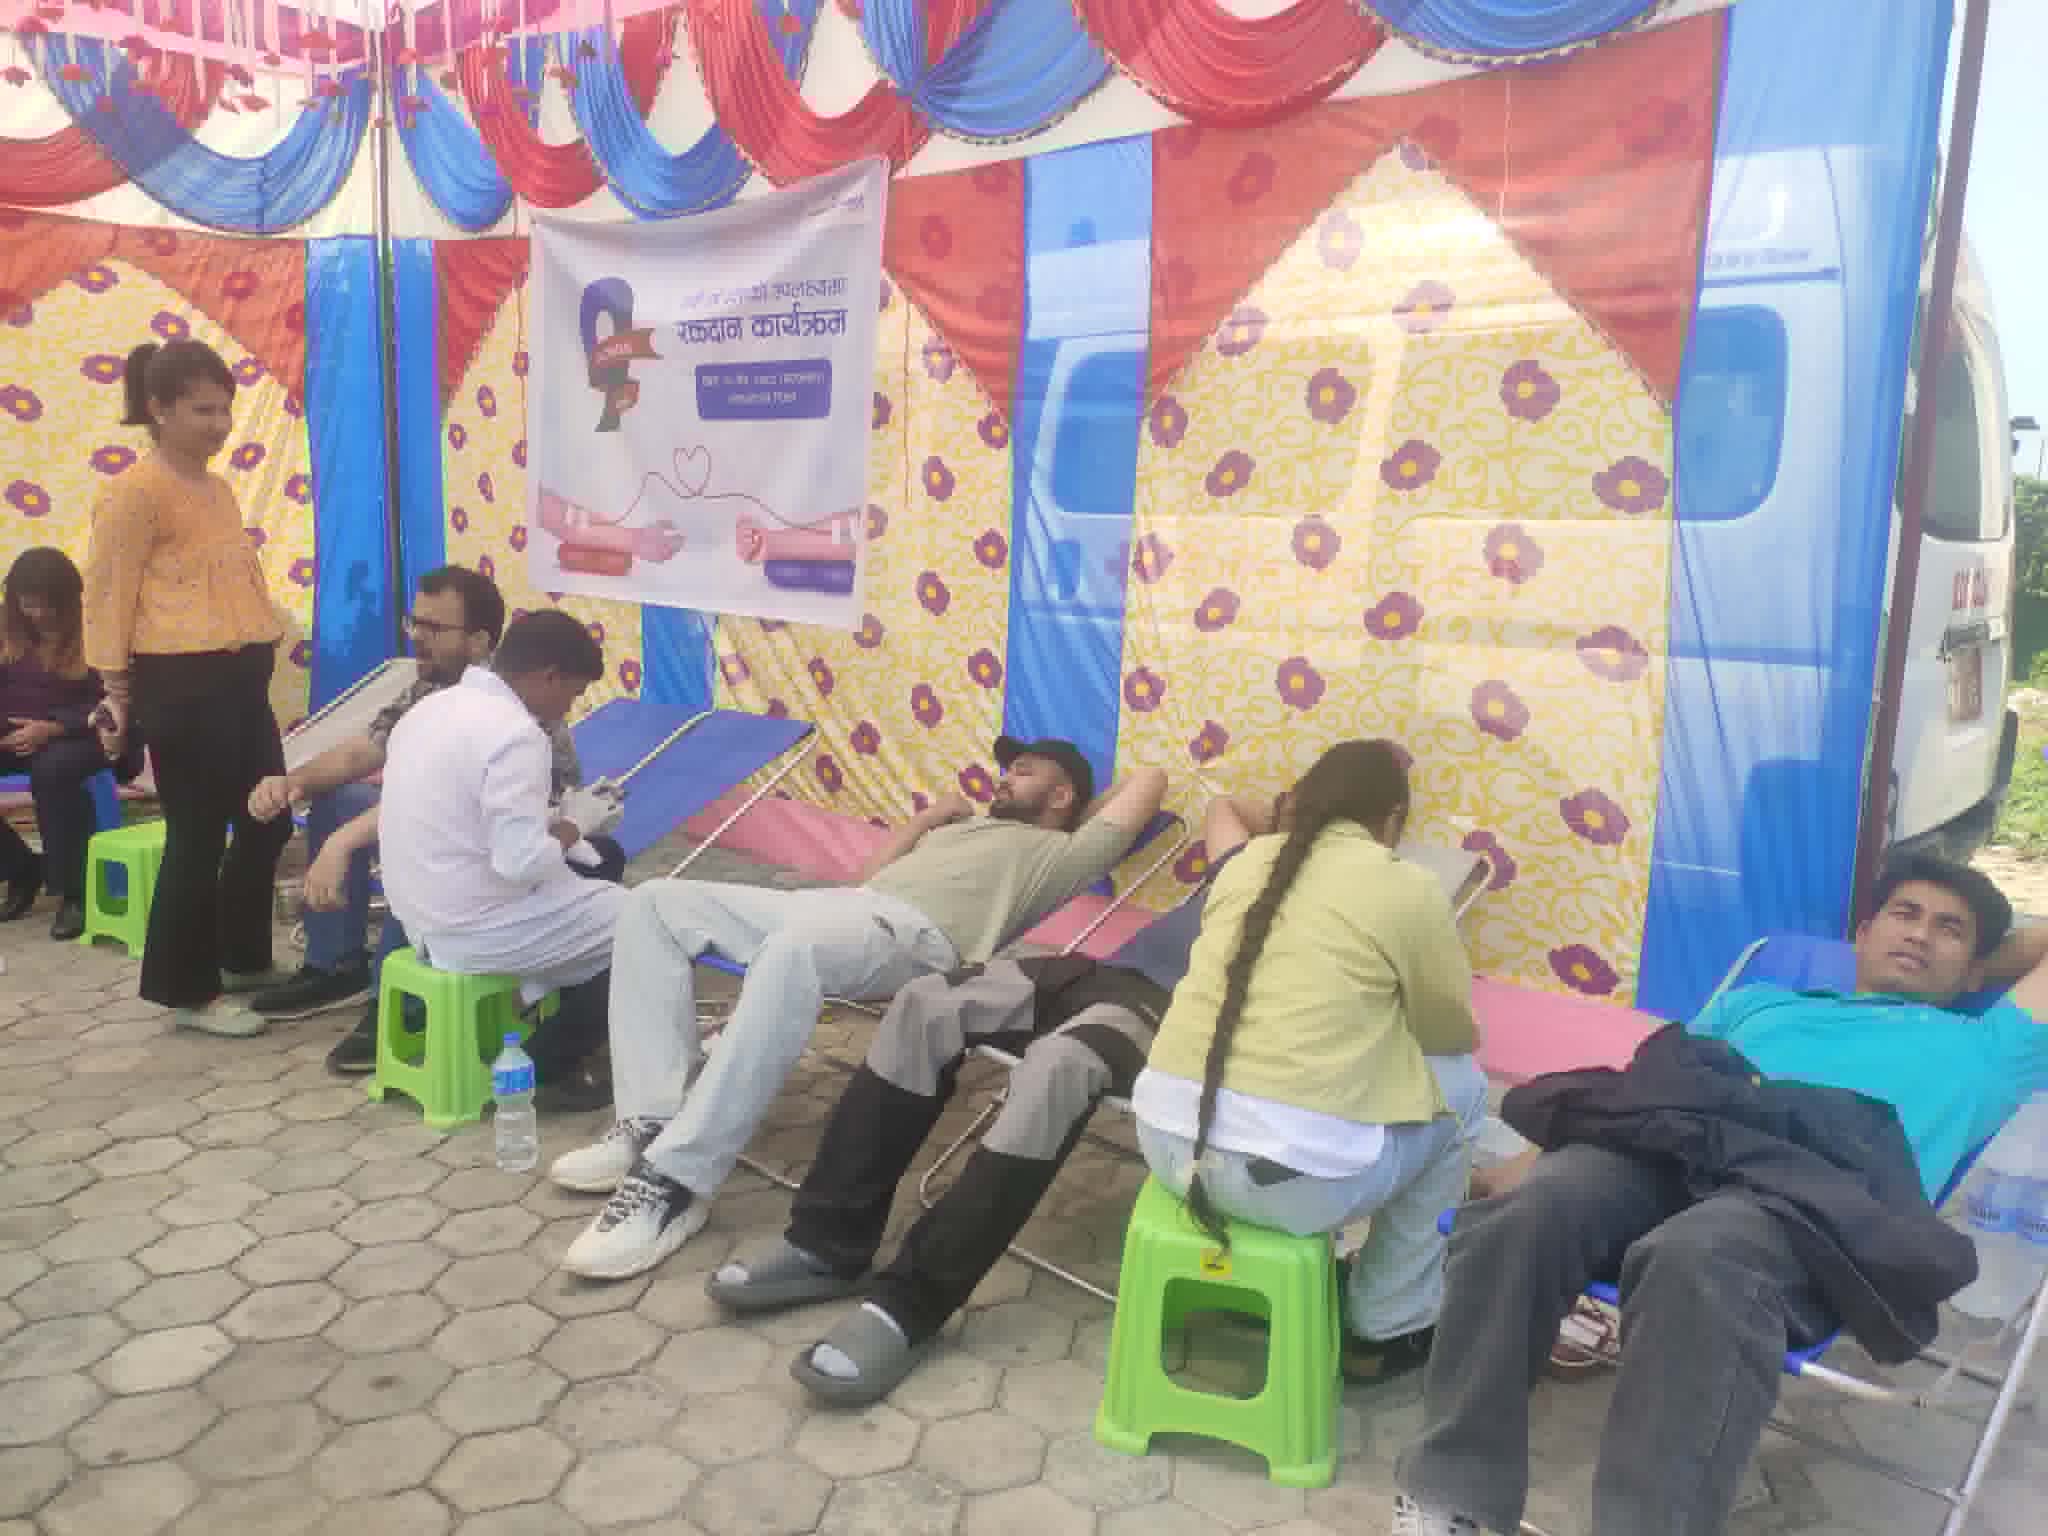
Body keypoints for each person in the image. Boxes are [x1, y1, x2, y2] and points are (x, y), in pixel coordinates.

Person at [1391, 852, 2048, 1536]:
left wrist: (1986, 965)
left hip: (1810, 1200)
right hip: (1674, 1153)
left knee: (1700, 1256)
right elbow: (1644, 1095)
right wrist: (1533, 1160)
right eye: (1904, 915)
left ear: (1978, 966)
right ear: (1862, 933)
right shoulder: (1759, 1002)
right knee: (1522, 1218)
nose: (1918, 933)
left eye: (1949, 929)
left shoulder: (1993, 1048)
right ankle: (1448, 1495)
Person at [710, 790, 1274, 1404]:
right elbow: (1227, 807)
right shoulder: (1247, 861)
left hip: (1166, 1012)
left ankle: (910, 1304)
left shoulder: (1341, 910)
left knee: (1056, 1066)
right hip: (1090, 972)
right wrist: (1292, 825)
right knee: (924, 1004)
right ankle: (825, 1244)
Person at [551, 741, 1170, 1281]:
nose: (1005, 779)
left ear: (1062, 794)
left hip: (911, 938)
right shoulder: (963, 829)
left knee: (794, 953)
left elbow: (1150, 781)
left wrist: (1074, 812)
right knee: (654, 902)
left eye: (1025, 772)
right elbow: (868, 877)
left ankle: (679, 1179)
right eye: (1007, 770)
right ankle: (650, 1121)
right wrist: (928, 819)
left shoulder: (1061, 854)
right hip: (838, 908)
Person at [1138, 740, 1485, 1380]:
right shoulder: (1409, 886)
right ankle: (1388, 1322)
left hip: (1167, 1150)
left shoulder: (1244, 863)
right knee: (1464, 1089)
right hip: (1297, 1187)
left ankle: (1276, 1280)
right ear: (1393, 819)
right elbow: (1446, 1033)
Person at [243, 565, 621, 1075]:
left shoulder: (525, 722)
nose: (417, 637)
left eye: (434, 628)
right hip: (471, 895)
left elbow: (506, 822)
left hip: (459, 876)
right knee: (643, 923)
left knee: (594, 864)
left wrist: (341, 842)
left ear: (480, 642)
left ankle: (397, 1002)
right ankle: (340, 969)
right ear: (552, 678)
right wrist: (293, 783)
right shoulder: (456, 705)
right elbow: (366, 757)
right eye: (414, 622)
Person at [83, 339, 292, 1035]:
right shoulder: (133, 492)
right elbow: (107, 595)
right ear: (159, 409)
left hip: (241, 680)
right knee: (198, 836)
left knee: (270, 818)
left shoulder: (219, 488)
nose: (220, 424)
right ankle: (188, 993)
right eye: (203, 410)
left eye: (225, 408)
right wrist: (116, 692)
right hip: (182, 685)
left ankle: (241, 958)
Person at [370, 610, 627, 1113]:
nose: (567, 709)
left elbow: (466, 820)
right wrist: (578, 823)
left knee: (601, 878)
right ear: (549, 676)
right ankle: (541, 1067)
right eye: (572, 694)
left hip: (419, 916)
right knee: (654, 928)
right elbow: (520, 863)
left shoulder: (429, 710)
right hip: (472, 926)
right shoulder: (517, 734)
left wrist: (556, 818)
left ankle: (530, 999)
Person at [0, 548, 141, 939]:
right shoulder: (6, 628)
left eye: (46, 603)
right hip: (16, 736)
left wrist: (53, 727)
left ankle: (74, 892)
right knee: (46, 763)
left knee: (53, 770)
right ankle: (20, 868)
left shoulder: (98, 631)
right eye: (27, 602)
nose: (36, 613)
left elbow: (118, 702)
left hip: (90, 736)